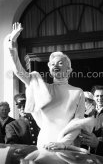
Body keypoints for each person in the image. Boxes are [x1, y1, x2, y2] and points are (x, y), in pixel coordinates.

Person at [7, 22, 85, 150]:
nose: (56, 65)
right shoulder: (43, 88)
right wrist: (12, 42)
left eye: (60, 63)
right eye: (52, 64)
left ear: (69, 69)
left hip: (67, 147)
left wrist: (63, 144)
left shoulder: (77, 92)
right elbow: (18, 71)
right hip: (44, 144)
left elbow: (78, 122)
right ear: (50, 69)